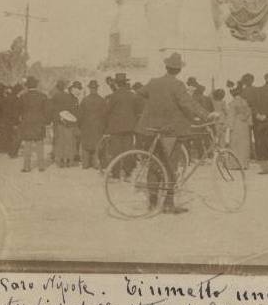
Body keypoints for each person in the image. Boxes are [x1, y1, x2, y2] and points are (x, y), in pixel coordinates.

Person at [136, 52, 214, 213]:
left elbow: (141, 93)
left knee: (154, 164)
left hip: (152, 130)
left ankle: (152, 202)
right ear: (178, 70)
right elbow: (188, 104)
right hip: (170, 131)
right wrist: (207, 115)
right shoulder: (178, 85)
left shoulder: (154, 82)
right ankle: (169, 203)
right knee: (171, 165)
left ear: (166, 67)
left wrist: (156, 106)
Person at [105, 72, 140, 160]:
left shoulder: (114, 96)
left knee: (116, 152)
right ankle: (128, 171)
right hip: (129, 128)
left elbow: (107, 111)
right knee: (128, 150)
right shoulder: (133, 95)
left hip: (116, 128)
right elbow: (137, 111)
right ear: (125, 83)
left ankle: (116, 172)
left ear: (116, 84)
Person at [19, 76, 50, 172]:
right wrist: (46, 121)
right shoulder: (43, 96)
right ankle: (41, 166)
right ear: (37, 85)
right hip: (39, 123)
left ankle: (26, 167)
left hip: (27, 123)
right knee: (40, 144)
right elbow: (47, 111)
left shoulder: (23, 97)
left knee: (27, 145)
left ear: (27, 86)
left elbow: (20, 111)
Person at [78, 80, 107, 169]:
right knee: (97, 145)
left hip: (86, 126)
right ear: (97, 88)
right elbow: (105, 115)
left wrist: (80, 125)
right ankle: (96, 164)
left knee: (86, 145)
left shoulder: (85, 100)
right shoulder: (102, 100)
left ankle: (85, 164)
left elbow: (80, 115)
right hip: (98, 126)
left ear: (90, 88)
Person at [251, 72, 268, 162]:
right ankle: (267, 157)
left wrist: (257, 115)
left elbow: (253, 105)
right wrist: (266, 116)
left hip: (258, 119)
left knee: (258, 138)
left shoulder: (256, 91)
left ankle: (260, 157)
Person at [227, 87, 252, 168]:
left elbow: (231, 115)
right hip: (244, 125)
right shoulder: (245, 102)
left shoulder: (233, 103)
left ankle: (235, 164)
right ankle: (244, 163)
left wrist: (230, 126)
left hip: (236, 123)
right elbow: (249, 113)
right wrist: (249, 123)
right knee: (244, 144)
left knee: (235, 143)